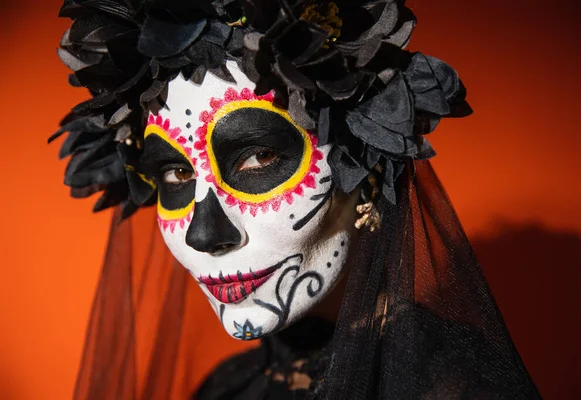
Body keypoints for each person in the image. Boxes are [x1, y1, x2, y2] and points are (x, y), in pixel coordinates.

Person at [51, 0, 541, 398]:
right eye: (176, 172)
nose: (205, 234)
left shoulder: (451, 388)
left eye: (260, 157)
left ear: (365, 172)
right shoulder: (227, 389)